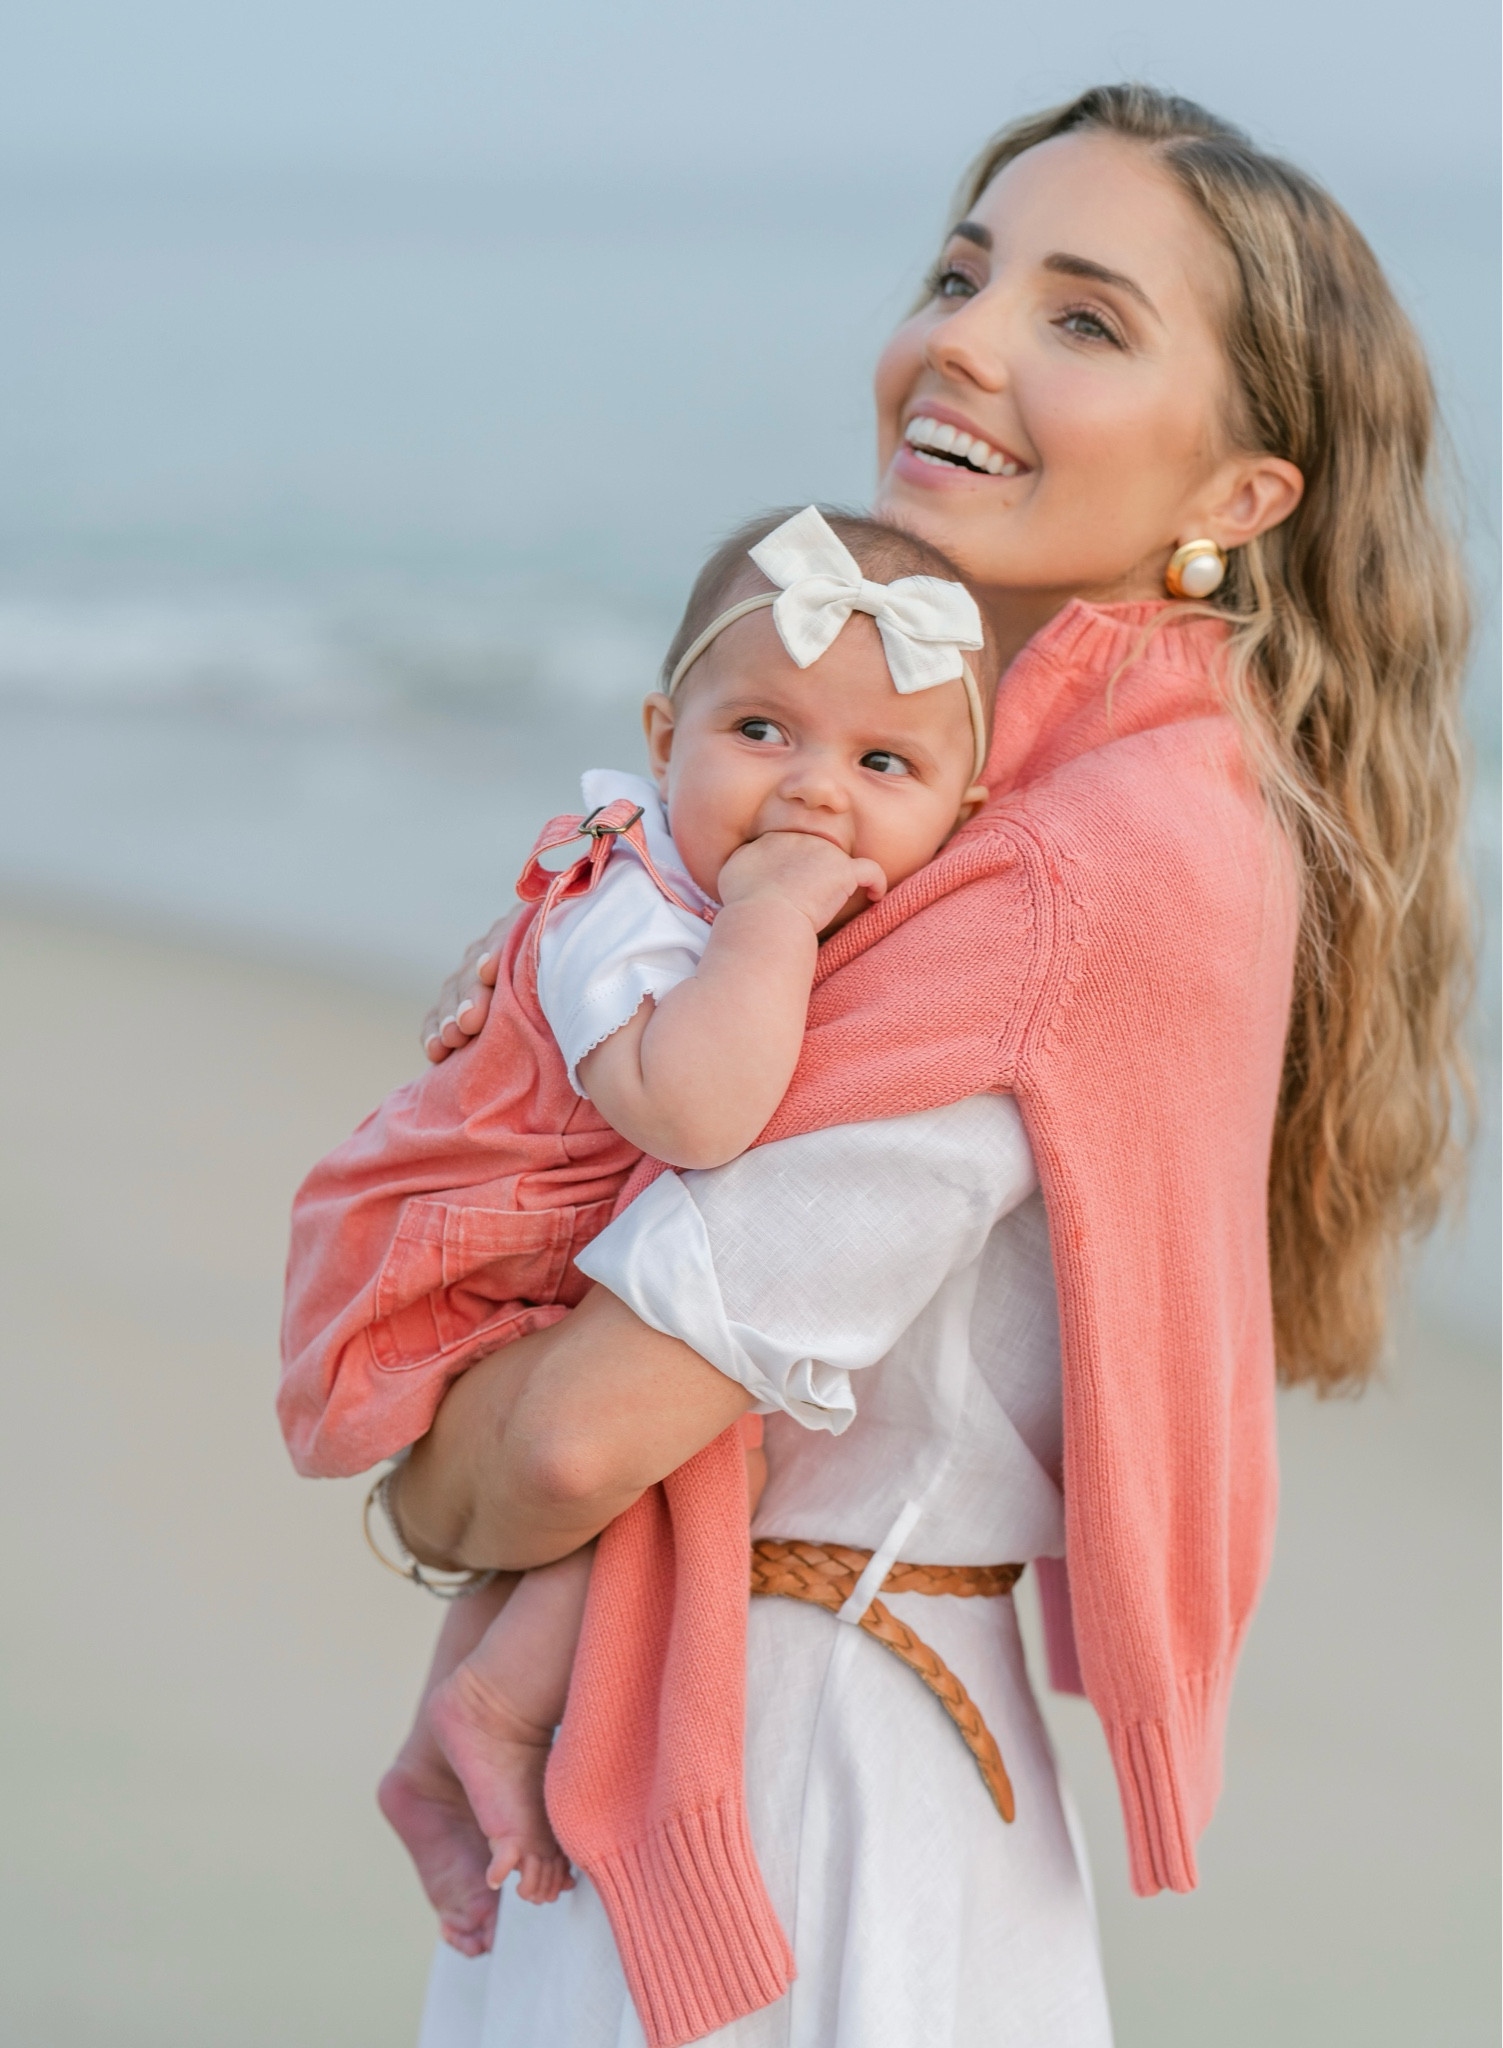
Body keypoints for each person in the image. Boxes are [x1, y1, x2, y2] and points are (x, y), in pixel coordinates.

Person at [291, 85, 1471, 2047]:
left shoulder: (1063, 870)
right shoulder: (1070, 797)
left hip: (786, 1769)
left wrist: (429, 1476)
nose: (964, 339)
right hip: (793, 1721)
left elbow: (580, 1437)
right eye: (956, 269)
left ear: (1234, 496)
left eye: (1082, 319)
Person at [280, 504, 999, 1925]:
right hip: (464, 1255)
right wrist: (777, 924)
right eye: (762, 734)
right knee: (696, 1427)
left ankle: (448, 1746)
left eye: (881, 763)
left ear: (965, 818)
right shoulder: (638, 908)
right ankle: (490, 1703)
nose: (812, 795)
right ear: (664, 733)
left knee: (698, 1419)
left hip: (550, 1259)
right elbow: (698, 1115)